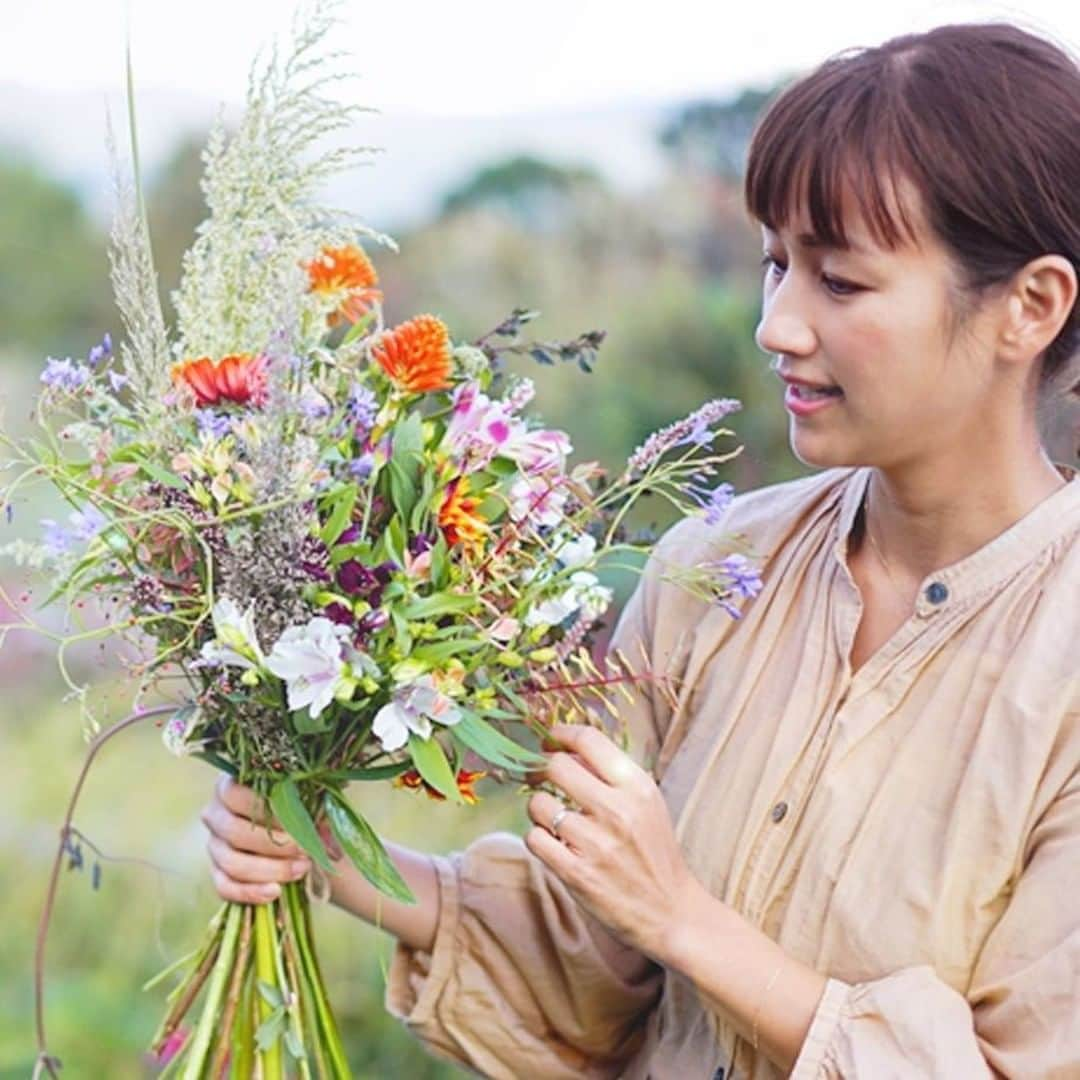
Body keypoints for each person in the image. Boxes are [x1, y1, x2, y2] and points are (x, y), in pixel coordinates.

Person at [201, 22, 1080, 1078]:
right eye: (774, 265)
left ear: (1030, 306)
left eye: (840, 282)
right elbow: (591, 968)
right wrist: (332, 857)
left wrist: (684, 916)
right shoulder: (714, 570)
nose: (778, 325)